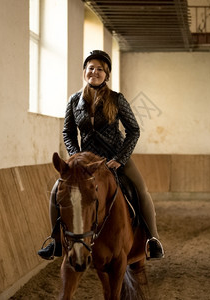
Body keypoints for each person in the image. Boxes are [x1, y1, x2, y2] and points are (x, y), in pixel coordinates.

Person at [38, 50, 164, 260]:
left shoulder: (117, 99)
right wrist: (76, 157)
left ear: (106, 75)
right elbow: (68, 132)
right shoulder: (74, 100)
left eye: (100, 69)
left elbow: (134, 130)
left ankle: (153, 239)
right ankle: (55, 242)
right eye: (91, 68)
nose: (94, 72)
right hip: (86, 161)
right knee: (55, 191)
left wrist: (120, 158)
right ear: (84, 72)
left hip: (115, 158)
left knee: (141, 190)